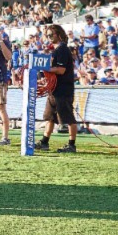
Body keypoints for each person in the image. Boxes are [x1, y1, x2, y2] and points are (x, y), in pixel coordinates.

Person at [35, 24, 77, 153]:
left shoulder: (62, 49)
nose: (49, 37)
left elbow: (61, 70)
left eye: (51, 35)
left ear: (58, 34)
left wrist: (46, 68)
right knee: (49, 117)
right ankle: (44, 142)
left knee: (68, 118)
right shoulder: (56, 50)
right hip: (54, 90)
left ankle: (71, 144)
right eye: (47, 35)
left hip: (63, 90)